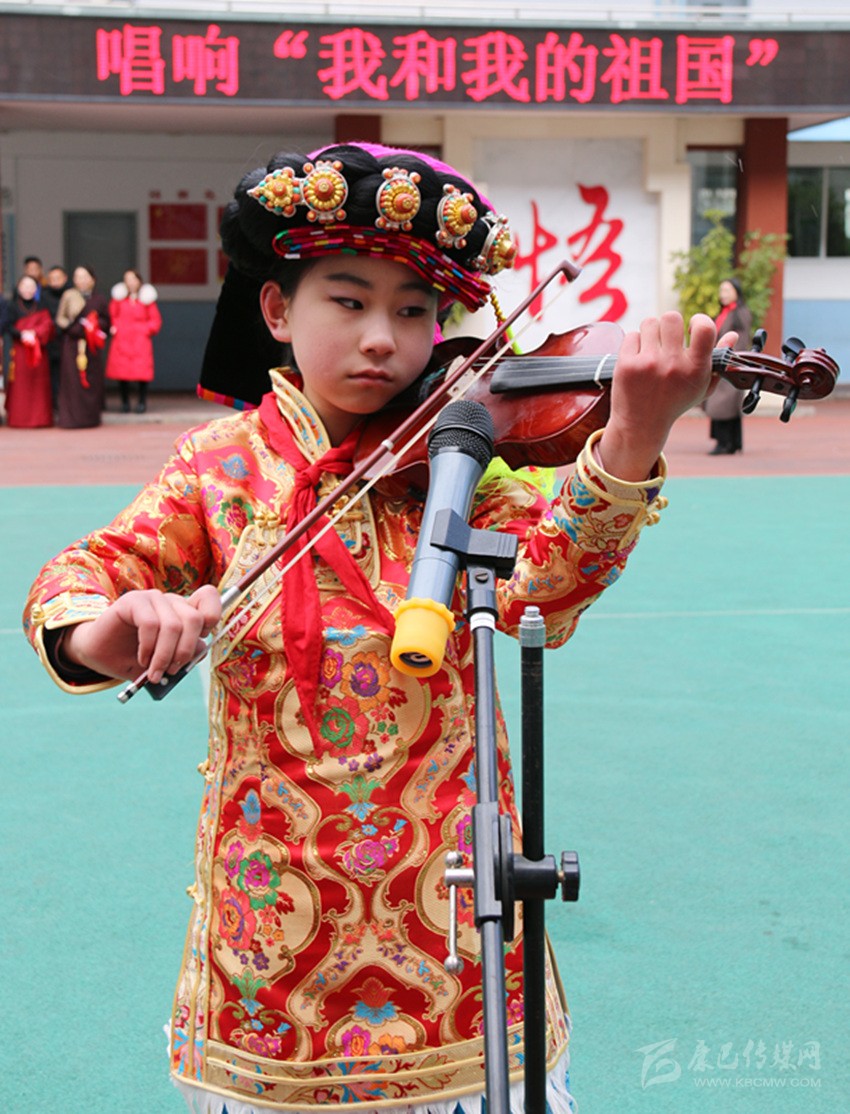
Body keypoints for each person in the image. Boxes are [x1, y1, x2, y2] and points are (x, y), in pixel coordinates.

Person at [23, 142, 734, 1114]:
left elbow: (546, 590)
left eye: (412, 311)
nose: (382, 340)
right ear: (277, 310)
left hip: (456, 934)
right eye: (348, 302)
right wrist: (108, 629)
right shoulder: (219, 468)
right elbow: (79, 576)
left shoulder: (463, 453)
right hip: (272, 941)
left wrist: (632, 435)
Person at [55, 264, 110, 428]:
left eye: (85, 276)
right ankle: (71, 418)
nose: (82, 280)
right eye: (78, 277)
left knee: (92, 381)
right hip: (72, 344)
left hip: (91, 345)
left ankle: (90, 418)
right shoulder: (69, 295)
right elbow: (60, 318)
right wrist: (74, 328)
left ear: (93, 279)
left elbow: (107, 322)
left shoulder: (99, 299)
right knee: (72, 381)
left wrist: (94, 325)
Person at [705, 277, 752, 454]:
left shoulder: (740, 313)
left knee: (724, 404)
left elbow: (742, 340)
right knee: (724, 405)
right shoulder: (724, 312)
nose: (722, 294)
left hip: (730, 362)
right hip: (720, 362)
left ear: (736, 292)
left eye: (726, 290)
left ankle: (725, 443)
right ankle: (731, 442)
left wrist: (729, 357)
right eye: (721, 291)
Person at [1, 274, 55, 427]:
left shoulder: (43, 305)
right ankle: (19, 419)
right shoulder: (12, 306)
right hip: (20, 351)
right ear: (19, 288)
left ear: (36, 289)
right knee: (20, 386)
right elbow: (7, 326)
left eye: (31, 287)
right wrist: (22, 334)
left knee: (39, 385)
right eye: (25, 286)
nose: (28, 290)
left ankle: (40, 418)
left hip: (39, 352)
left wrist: (36, 333)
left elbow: (49, 325)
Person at [105, 269, 162, 413]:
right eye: (127, 279)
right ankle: (125, 402)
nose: (130, 282)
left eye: (133, 279)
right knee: (121, 373)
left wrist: (145, 330)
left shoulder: (146, 300)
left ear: (139, 281)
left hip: (140, 341)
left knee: (142, 373)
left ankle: (142, 402)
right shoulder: (118, 299)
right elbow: (111, 315)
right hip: (122, 340)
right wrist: (116, 327)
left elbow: (155, 320)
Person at [41, 265, 72, 409]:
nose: (55, 282)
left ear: (65, 278)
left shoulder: (72, 294)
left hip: (69, 340)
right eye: (51, 279)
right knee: (52, 375)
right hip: (50, 342)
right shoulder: (43, 296)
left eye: (57, 278)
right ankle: (54, 404)